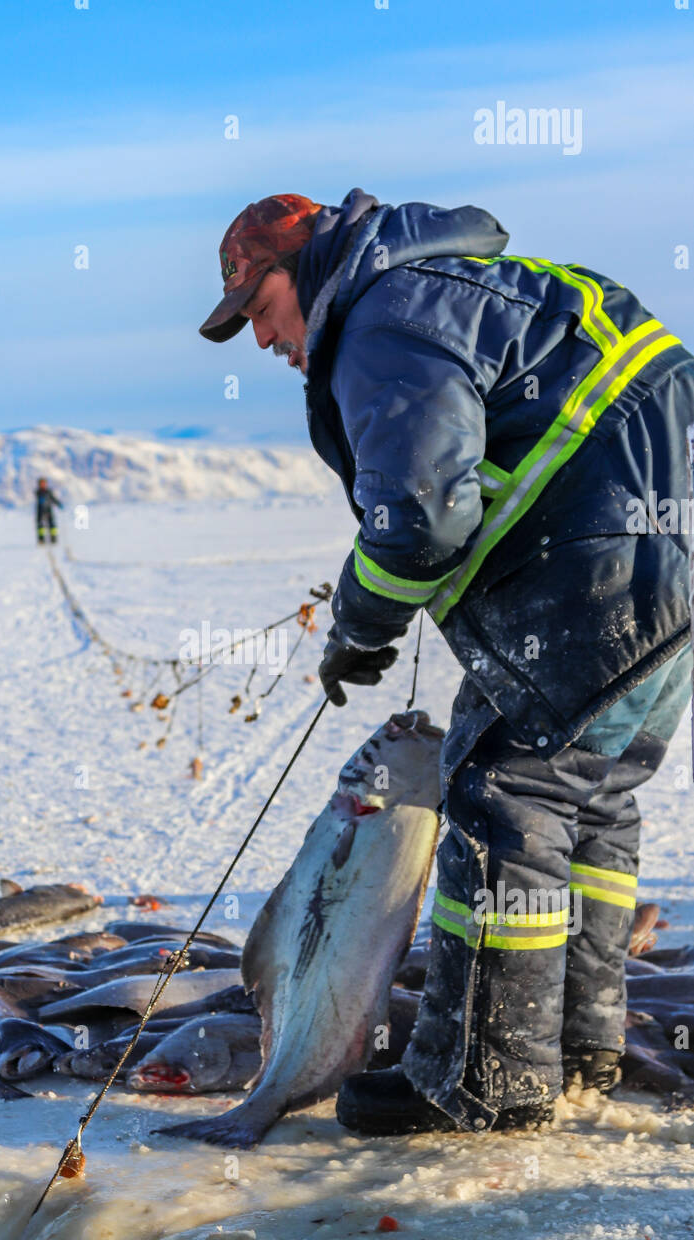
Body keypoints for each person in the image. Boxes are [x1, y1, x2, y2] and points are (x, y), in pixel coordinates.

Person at [199, 189, 694, 1134]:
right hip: (667, 575)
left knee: (501, 801)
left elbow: (420, 511)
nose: (263, 341)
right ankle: (577, 1047)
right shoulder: (477, 289)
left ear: (297, 271)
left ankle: (482, 1077)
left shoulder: (385, 315)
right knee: (588, 802)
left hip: (589, 577)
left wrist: (361, 624)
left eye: (258, 311)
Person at [35, 477, 63, 544]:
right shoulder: (38, 492)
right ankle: (41, 540)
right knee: (40, 526)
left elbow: (53, 499)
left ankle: (53, 538)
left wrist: (58, 504)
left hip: (48, 510)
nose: (43, 484)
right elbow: (38, 496)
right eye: (41, 483)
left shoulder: (48, 492)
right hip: (40, 511)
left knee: (52, 525)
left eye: (44, 483)